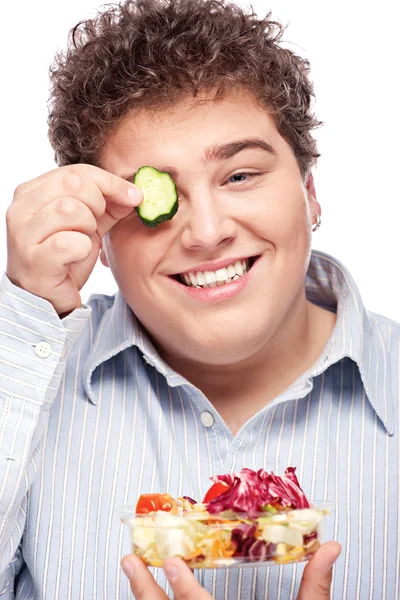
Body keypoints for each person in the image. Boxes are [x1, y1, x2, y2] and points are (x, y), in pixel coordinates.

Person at [1, 0, 398, 598]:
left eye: (240, 176)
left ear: (311, 194)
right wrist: (26, 313)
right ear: (100, 239)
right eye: (158, 196)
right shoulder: (28, 385)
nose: (208, 231)